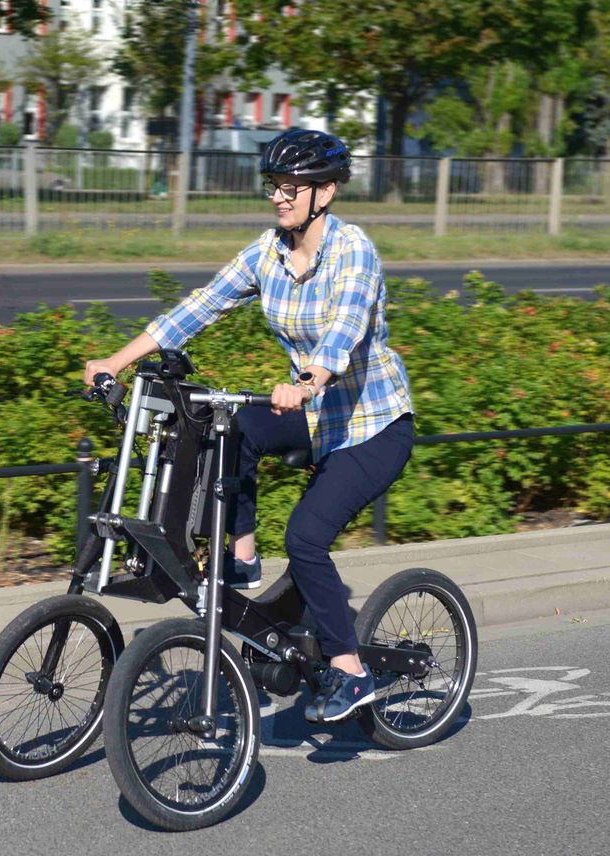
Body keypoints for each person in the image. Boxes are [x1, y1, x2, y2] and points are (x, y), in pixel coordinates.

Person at [83, 128, 414, 724]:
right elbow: (199, 306)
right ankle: (241, 554)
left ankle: (350, 671)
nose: (280, 198)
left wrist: (311, 378)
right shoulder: (268, 252)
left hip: (372, 425)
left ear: (326, 192)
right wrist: (115, 360)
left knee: (307, 538)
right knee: (225, 423)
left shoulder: (353, 251)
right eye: (275, 187)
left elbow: (345, 327)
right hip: (315, 417)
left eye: (293, 187)